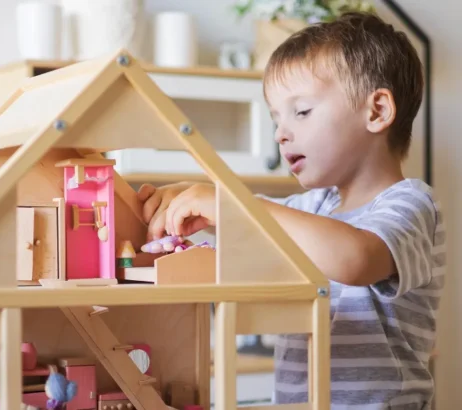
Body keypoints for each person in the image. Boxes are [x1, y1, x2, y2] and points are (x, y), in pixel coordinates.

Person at [137, 11, 445, 409]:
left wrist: (231, 204)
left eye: (301, 111)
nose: (281, 133)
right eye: (275, 118)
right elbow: (258, 231)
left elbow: (355, 258)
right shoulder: (313, 207)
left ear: (377, 111)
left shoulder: (412, 203)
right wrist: (199, 201)